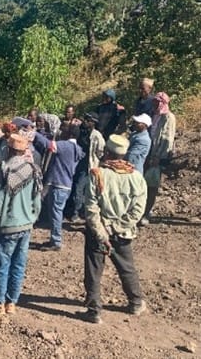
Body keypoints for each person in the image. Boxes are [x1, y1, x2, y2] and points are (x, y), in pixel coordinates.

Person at [77, 134, 147, 324]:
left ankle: (94, 311)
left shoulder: (97, 174)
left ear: (107, 152)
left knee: (93, 271)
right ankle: (136, 302)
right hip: (123, 233)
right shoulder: (136, 177)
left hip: (98, 233)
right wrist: (117, 228)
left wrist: (103, 232)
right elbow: (137, 211)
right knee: (127, 269)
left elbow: (91, 208)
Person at [0, 134, 43, 316]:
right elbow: (37, 199)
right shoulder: (32, 170)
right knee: (19, 265)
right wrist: (32, 218)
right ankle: (12, 302)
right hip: (25, 225)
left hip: (7, 225)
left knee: (2, 265)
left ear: (8, 150)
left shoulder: (4, 170)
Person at [33, 125, 85, 251]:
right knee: (56, 211)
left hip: (58, 183)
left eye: (64, 130)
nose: (61, 132)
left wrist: (34, 132)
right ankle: (54, 239)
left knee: (56, 213)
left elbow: (47, 144)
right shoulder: (78, 149)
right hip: (66, 185)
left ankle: (56, 241)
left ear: (69, 134)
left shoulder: (64, 146)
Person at [141, 92, 176, 226]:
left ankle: (146, 212)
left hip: (157, 155)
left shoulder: (168, 117)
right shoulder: (153, 114)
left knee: (152, 184)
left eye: (157, 102)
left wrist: (158, 157)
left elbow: (167, 139)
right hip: (148, 153)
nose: (154, 104)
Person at [71, 112, 105, 222]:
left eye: (88, 120)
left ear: (93, 123)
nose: (85, 121)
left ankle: (78, 212)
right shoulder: (81, 132)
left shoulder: (96, 136)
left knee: (81, 189)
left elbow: (100, 152)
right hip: (79, 164)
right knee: (78, 188)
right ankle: (77, 211)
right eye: (85, 119)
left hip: (89, 166)